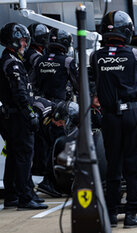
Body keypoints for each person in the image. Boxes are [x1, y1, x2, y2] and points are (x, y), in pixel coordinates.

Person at [90, 10, 137, 228]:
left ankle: (110, 214)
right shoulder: (133, 54)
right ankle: (131, 215)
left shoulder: (96, 56)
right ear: (126, 31)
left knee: (113, 165)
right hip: (131, 113)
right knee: (135, 164)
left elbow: (93, 78)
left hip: (109, 117)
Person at [0, 23, 48, 210]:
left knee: (14, 155)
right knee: (23, 156)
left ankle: (13, 195)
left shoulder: (10, 59)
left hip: (11, 116)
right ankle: (25, 197)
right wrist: (29, 113)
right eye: (22, 40)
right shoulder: (12, 63)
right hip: (17, 116)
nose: (25, 44)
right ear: (13, 40)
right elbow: (19, 93)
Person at [34, 28, 79, 103]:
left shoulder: (38, 60)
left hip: (41, 102)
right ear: (66, 42)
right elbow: (78, 85)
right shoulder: (68, 61)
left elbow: (31, 82)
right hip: (59, 105)